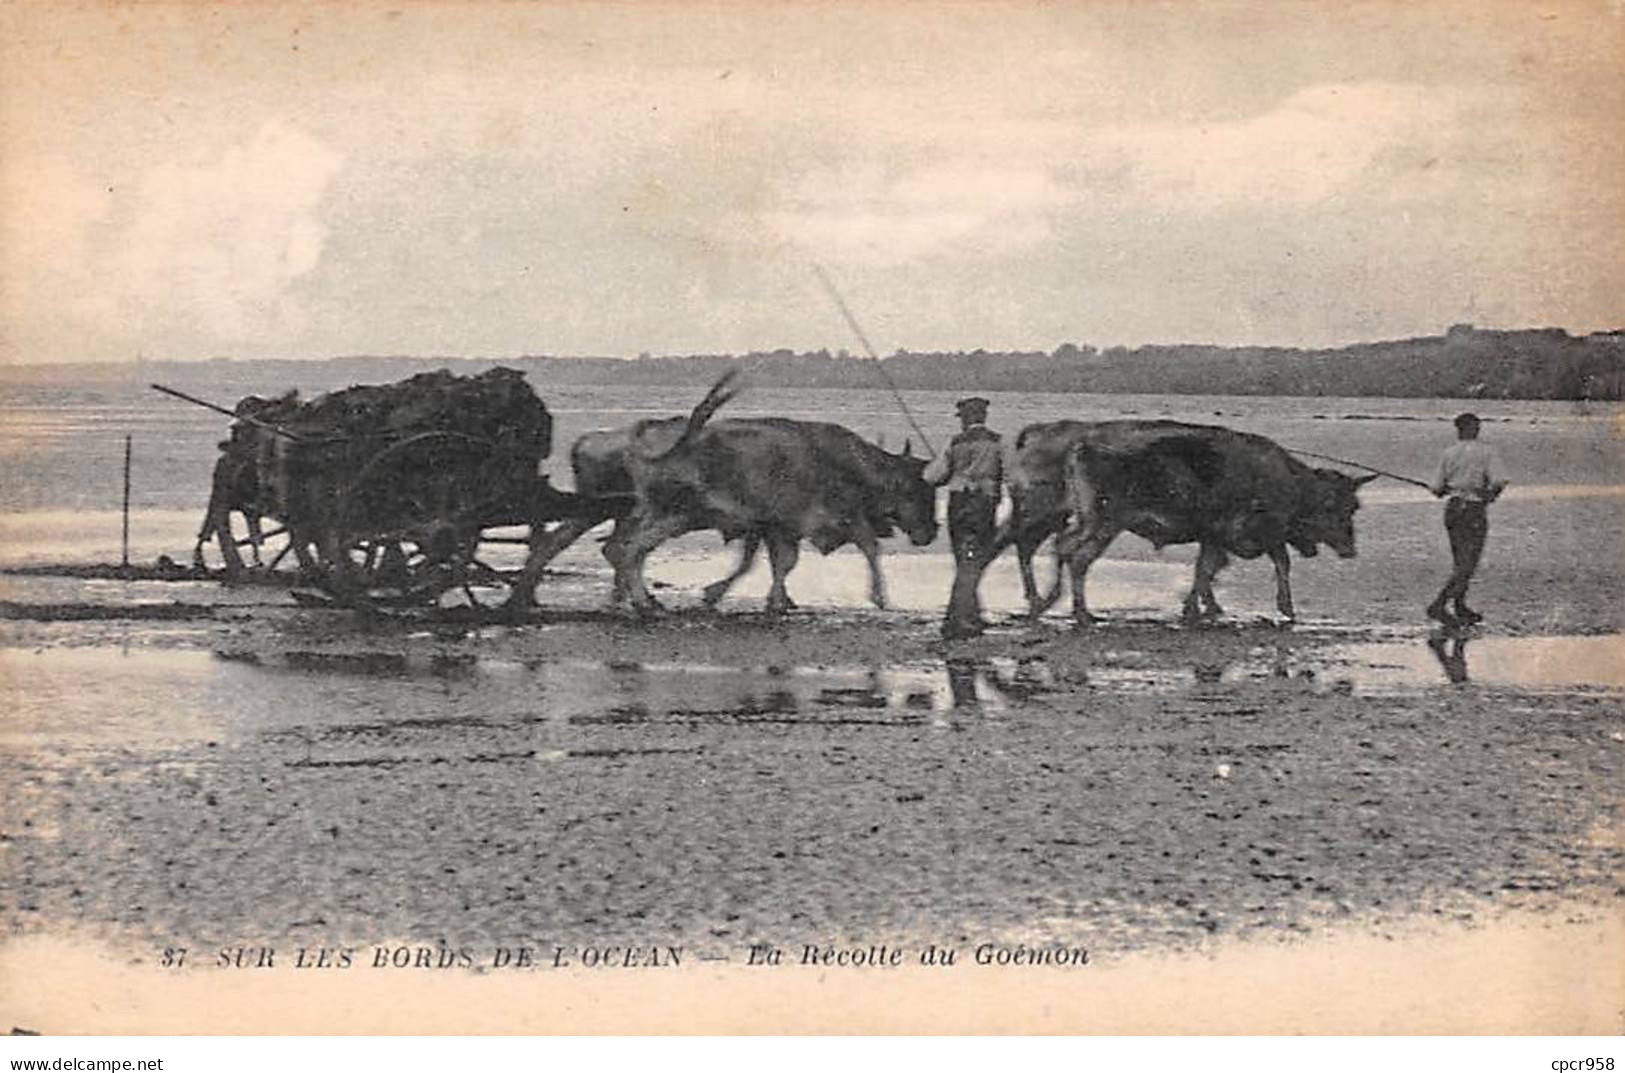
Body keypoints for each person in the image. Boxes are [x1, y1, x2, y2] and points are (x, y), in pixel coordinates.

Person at [925, 396, 1004, 639]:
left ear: (966, 418)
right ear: (983, 417)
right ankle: (962, 616)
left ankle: (963, 614)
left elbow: (932, 477)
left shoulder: (954, 442)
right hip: (984, 503)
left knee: (962, 557)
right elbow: (1012, 473)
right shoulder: (999, 442)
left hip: (958, 503)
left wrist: (946, 472)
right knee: (975, 557)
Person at [1426, 412, 1508, 627]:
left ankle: (1460, 606)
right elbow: (1499, 481)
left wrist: (1447, 488)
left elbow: (1436, 488)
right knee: (1468, 563)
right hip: (1474, 509)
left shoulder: (1448, 453)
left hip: (1453, 509)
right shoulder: (1487, 452)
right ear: (1474, 429)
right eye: (1477, 427)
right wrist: (1490, 495)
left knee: (1460, 560)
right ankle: (1439, 605)